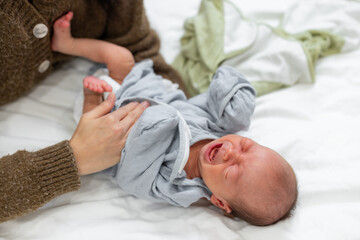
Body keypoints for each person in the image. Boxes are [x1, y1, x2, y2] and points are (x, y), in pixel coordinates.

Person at [52, 13, 298, 226]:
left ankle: (90, 95)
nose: (231, 152)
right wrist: (234, 101)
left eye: (232, 170)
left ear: (220, 202)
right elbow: (216, 90)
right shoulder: (217, 128)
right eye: (245, 146)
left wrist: (157, 127)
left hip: (108, 125)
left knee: (92, 120)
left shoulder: (178, 186)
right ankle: (68, 43)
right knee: (121, 57)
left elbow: (131, 179)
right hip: (137, 86)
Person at [0, 0, 181, 222]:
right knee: (117, 65)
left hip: (126, 104)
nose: (235, 153)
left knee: (121, 61)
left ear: (221, 204)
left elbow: (142, 52)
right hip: (115, 110)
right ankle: (74, 55)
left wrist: (175, 98)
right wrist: (73, 158)